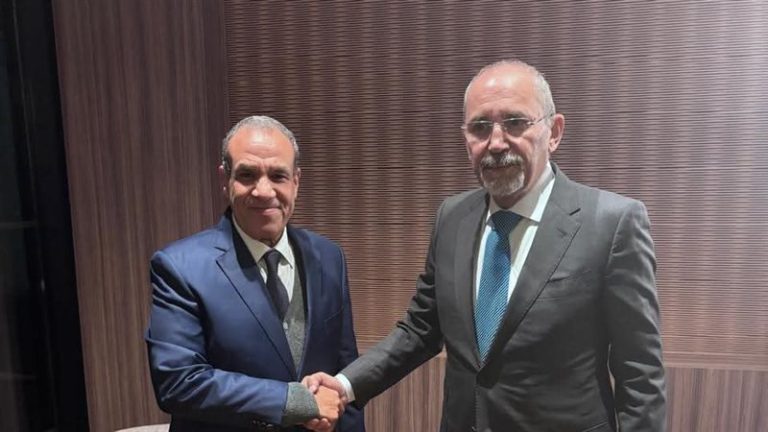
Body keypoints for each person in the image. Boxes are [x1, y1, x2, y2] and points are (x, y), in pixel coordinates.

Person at [304, 60, 667, 432]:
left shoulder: (612, 223)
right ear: (466, 139)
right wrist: (345, 385)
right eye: (480, 127)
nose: (496, 142)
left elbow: (640, 373)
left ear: (554, 132)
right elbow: (421, 328)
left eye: (515, 122)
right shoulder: (452, 217)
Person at [146, 116, 365, 432]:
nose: (263, 191)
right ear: (225, 180)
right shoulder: (179, 267)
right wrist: (292, 401)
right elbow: (178, 382)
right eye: (247, 175)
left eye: (278, 175)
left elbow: (344, 374)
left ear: (296, 181)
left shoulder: (329, 257)